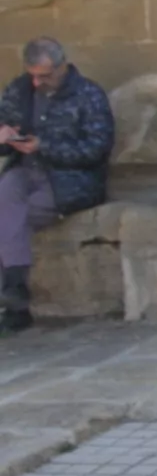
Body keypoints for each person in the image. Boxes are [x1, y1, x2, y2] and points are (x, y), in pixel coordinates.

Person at [0, 38, 115, 333]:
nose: (37, 82)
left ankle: (15, 302)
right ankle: (13, 298)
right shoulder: (19, 90)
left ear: (62, 66)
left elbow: (96, 149)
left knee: (13, 218)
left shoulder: (88, 95)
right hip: (24, 170)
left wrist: (44, 146)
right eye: (33, 75)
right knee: (7, 198)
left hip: (69, 180)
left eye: (45, 75)